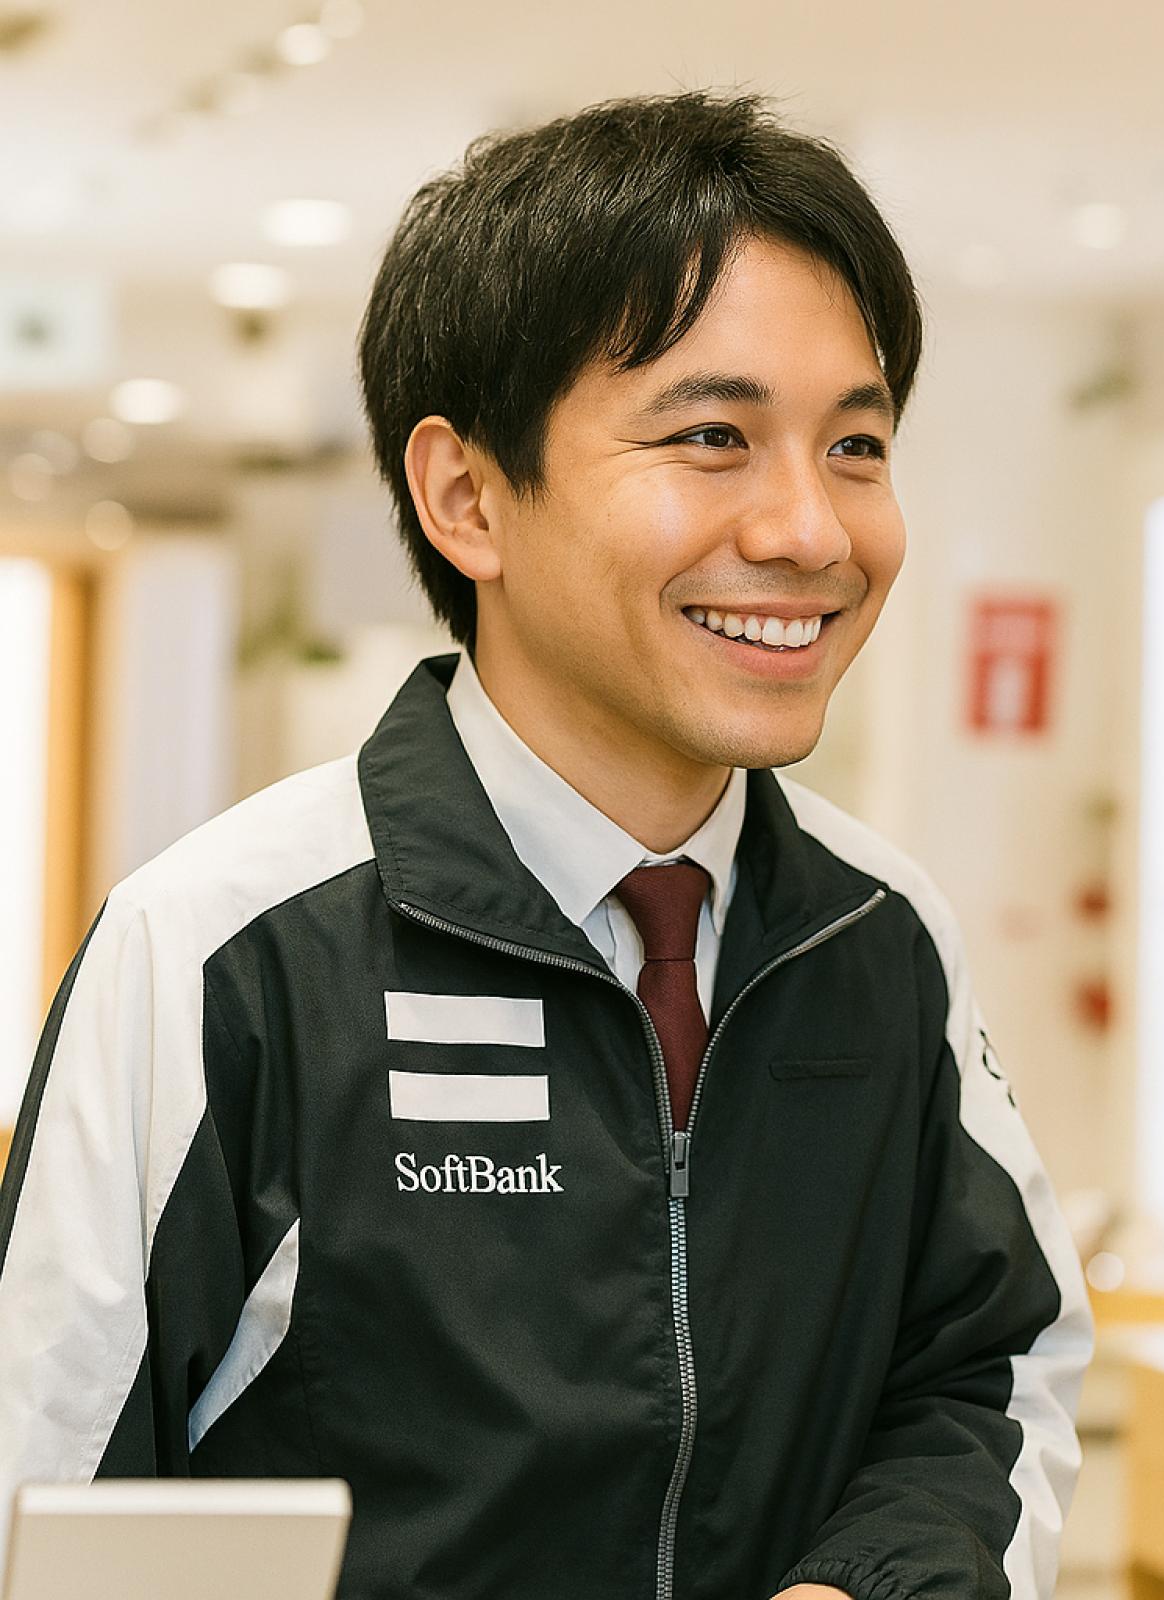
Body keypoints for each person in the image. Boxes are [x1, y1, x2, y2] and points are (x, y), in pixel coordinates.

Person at [0, 91, 1092, 1600]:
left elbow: (989, 1367)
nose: (812, 531)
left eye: (857, 443)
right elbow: (49, 1499)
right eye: (712, 437)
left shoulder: (881, 934)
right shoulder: (221, 949)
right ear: (467, 496)